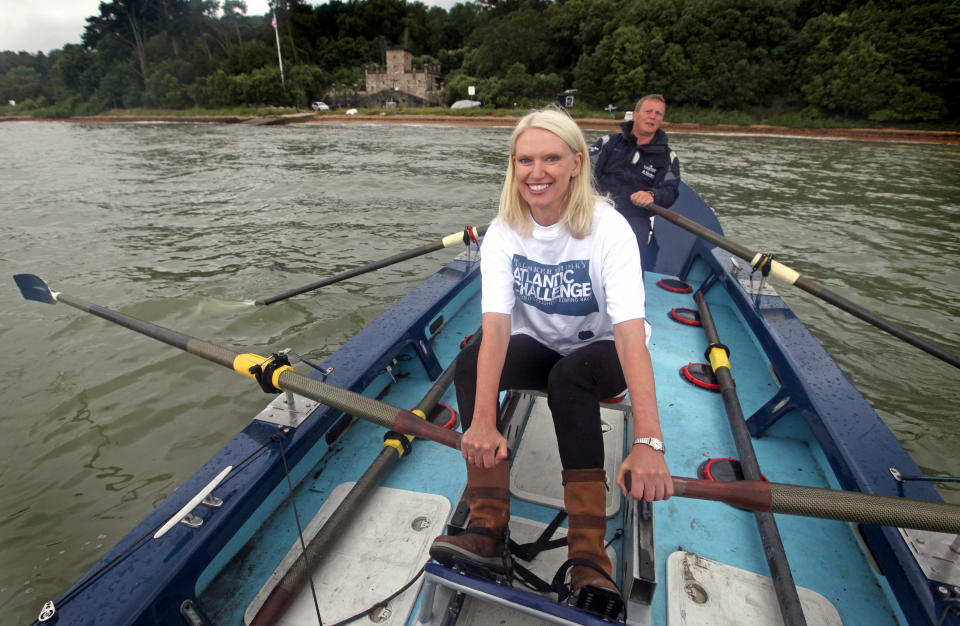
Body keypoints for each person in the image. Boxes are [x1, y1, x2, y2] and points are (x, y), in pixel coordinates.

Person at [429, 107, 672, 618]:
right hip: (543, 342)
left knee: (571, 379)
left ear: (578, 163)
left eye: (550, 158)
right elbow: (496, 327)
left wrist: (649, 441)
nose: (536, 172)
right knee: (472, 363)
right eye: (525, 160)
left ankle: (588, 554)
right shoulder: (503, 232)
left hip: (604, 357)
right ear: (513, 166)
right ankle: (488, 527)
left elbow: (630, 339)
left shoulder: (610, 230)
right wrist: (480, 422)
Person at [590, 94, 681, 259]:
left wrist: (652, 195)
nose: (653, 116)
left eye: (658, 113)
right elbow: (585, 168)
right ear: (635, 115)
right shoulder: (608, 142)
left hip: (635, 217)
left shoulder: (668, 157)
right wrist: (588, 188)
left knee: (633, 256)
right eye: (648, 111)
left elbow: (670, 190)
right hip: (598, 208)